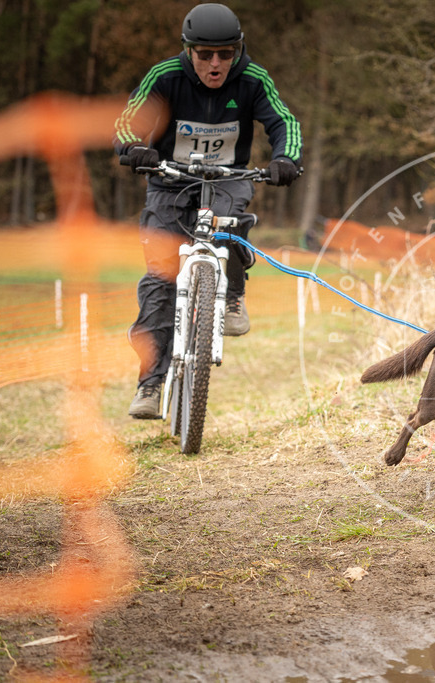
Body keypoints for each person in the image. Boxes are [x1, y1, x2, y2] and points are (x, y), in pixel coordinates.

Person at [114, 2, 303, 419]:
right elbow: (129, 120)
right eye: (204, 54)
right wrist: (134, 147)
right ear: (189, 51)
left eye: (225, 54)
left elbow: (283, 122)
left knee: (228, 223)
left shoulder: (254, 80)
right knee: (159, 281)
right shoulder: (164, 76)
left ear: (238, 50)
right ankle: (150, 381)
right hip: (168, 179)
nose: (215, 64)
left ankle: (232, 295)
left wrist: (286, 157)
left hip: (228, 177)